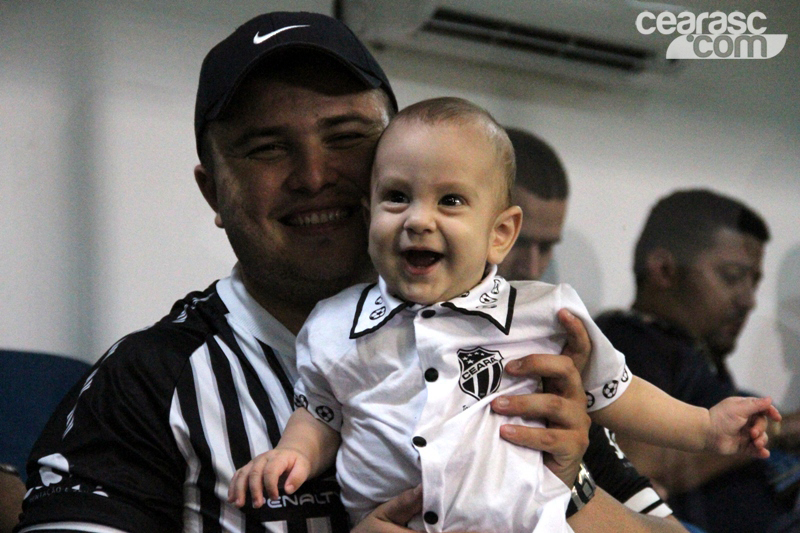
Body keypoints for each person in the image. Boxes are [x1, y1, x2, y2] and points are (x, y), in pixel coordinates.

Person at [14, 11, 598, 533]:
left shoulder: (520, 347)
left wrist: (563, 487)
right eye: (267, 148)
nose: (314, 176)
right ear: (213, 191)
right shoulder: (147, 383)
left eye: (346, 138)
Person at [229, 99, 777, 532]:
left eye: (450, 202)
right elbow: (323, 414)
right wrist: (291, 455)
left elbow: (617, 393)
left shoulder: (547, 315)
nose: (419, 220)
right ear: (369, 213)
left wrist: (704, 426)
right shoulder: (331, 325)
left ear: (500, 233)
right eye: (397, 197)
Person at [498, 127, 689, 528]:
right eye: (516, 240)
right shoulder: (360, 342)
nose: (532, 267)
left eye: (546, 246)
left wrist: (569, 484)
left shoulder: (554, 370)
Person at [595, 189, 800, 533]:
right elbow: (634, 463)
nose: (749, 300)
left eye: (754, 281)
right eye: (732, 276)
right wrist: (779, 430)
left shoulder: (693, 354)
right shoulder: (631, 340)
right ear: (663, 270)